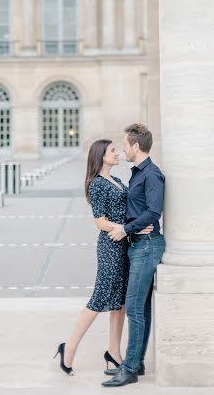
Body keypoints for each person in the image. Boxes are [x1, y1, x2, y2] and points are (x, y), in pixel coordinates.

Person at [54, 138, 153, 376]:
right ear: (101, 156)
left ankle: (113, 352)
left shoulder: (117, 180)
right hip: (110, 246)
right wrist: (127, 228)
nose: (117, 153)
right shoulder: (98, 184)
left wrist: (134, 227)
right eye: (112, 150)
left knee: (119, 303)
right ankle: (68, 348)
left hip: (125, 244)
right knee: (99, 300)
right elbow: (99, 221)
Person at [102, 124, 165, 388]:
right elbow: (143, 211)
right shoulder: (138, 173)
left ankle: (128, 369)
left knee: (134, 308)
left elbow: (153, 211)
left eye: (126, 144)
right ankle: (136, 362)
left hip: (146, 246)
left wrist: (127, 228)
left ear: (136, 146)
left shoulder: (152, 174)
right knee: (142, 308)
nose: (124, 149)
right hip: (139, 244)